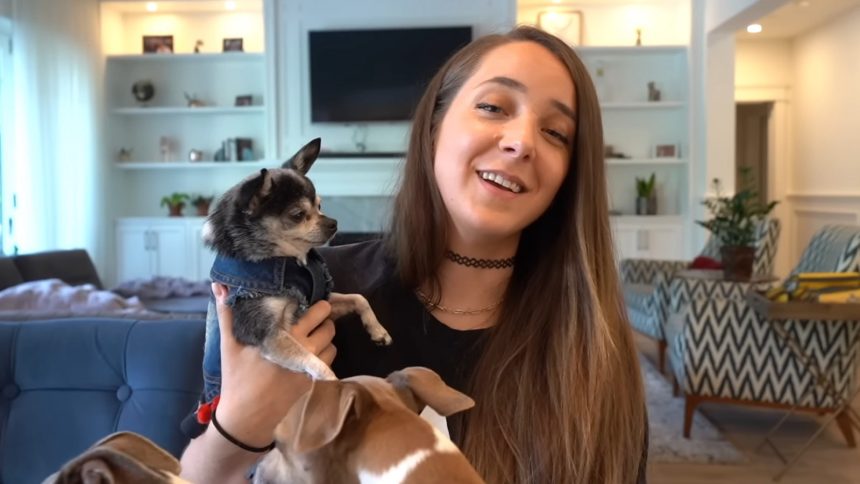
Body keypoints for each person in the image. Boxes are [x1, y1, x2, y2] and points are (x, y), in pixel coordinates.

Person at [180, 25, 647, 483]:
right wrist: (239, 427)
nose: (522, 141)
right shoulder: (307, 292)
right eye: (492, 106)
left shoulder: (593, 345)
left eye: (556, 133)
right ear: (432, 129)